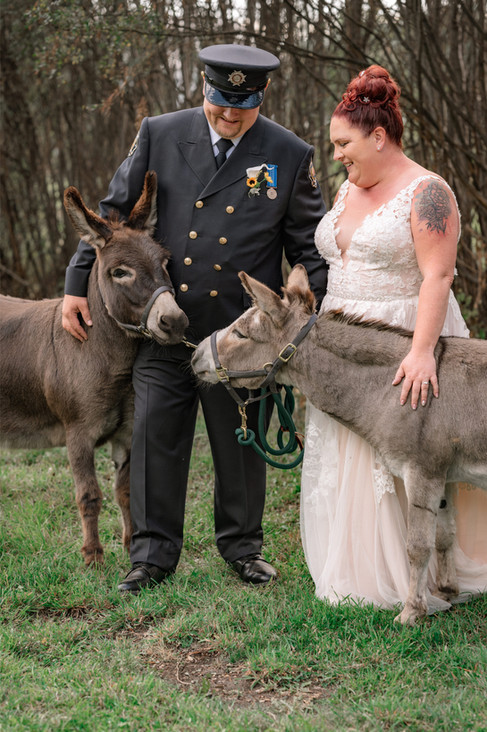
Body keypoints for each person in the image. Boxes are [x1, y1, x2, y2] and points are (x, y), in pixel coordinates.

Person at [62, 44, 328, 593]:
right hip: (162, 321)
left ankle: (242, 547)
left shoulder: (289, 152)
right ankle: (152, 556)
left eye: (243, 105)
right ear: (204, 89)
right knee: (155, 432)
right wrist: (74, 286)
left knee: (239, 439)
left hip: (238, 333)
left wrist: (300, 320)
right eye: (219, 102)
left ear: (262, 96)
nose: (229, 115)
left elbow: (308, 248)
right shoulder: (159, 132)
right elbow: (112, 215)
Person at [300, 65, 487, 613]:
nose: (337, 155)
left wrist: (422, 351)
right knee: (352, 454)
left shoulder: (429, 192)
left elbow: (438, 275)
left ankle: (425, 574)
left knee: (411, 455)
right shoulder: (347, 187)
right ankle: (360, 569)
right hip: (346, 346)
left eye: (344, 144)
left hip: (408, 334)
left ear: (378, 136)